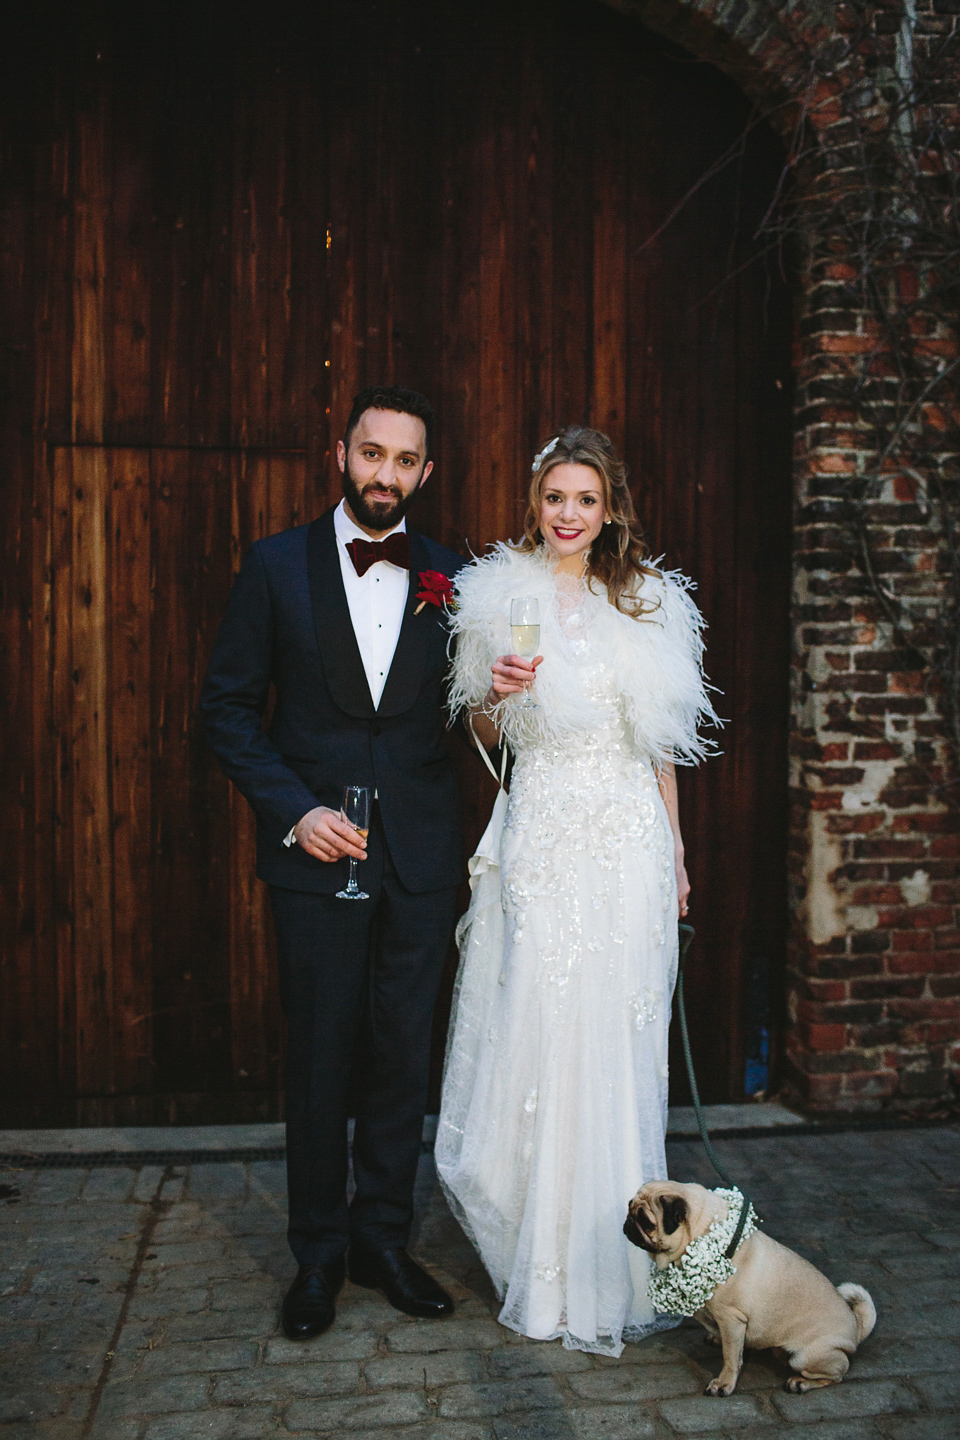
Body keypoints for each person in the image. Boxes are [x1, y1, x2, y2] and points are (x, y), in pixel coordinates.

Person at [435, 426, 718, 1357]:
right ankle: (536, 1251)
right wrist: (496, 693)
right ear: (535, 503)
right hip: (546, 829)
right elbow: (481, 723)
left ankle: (615, 1262)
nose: (568, 515)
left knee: (613, 1032)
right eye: (555, 497)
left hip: (627, 838)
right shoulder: (499, 592)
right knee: (540, 1029)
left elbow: (665, 748)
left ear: (611, 510)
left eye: (585, 500)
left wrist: (674, 854)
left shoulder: (649, 604)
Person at [201, 385, 464, 1340]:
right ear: (340, 455)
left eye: (405, 460)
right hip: (317, 861)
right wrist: (293, 811)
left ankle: (382, 1243)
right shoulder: (274, 566)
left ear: (425, 474)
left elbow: (472, 712)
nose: (385, 473)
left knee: (402, 1059)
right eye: (372, 454)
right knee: (319, 1060)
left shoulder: (455, 575)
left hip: (422, 861)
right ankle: (315, 1258)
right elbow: (226, 710)